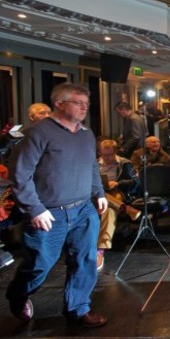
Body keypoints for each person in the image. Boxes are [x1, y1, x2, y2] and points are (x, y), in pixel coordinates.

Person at [5, 83, 108, 327]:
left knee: (85, 261)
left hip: (83, 209)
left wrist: (99, 192)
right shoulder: (37, 133)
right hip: (49, 213)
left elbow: (92, 166)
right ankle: (17, 296)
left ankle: (78, 308)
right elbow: (20, 174)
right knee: (39, 265)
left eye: (86, 103)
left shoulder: (86, 134)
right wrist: (34, 209)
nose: (84, 107)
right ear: (59, 104)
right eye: (78, 102)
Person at [96, 139, 141, 272]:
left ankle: (100, 251)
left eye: (110, 155)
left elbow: (136, 182)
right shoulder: (95, 164)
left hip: (117, 193)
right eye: (104, 155)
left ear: (115, 152)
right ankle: (126, 209)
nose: (107, 158)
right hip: (97, 194)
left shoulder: (124, 163)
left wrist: (118, 183)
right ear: (100, 153)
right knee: (101, 195)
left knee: (108, 210)